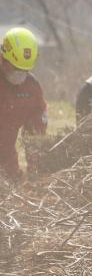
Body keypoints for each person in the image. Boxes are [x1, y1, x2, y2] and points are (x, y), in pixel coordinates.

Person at [0, 27, 47, 181]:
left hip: (7, 168)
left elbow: (35, 136)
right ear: (2, 57)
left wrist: (36, 175)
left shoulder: (31, 88)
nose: (20, 75)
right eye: (16, 68)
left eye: (24, 70)